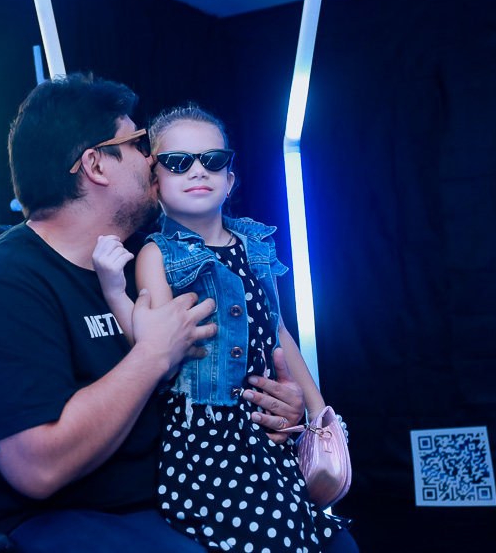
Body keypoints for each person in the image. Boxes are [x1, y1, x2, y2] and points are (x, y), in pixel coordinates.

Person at [0, 74, 310, 553]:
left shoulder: (153, 259)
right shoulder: (3, 283)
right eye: (136, 144)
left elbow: (218, 370)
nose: (153, 159)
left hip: (166, 501)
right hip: (38, 524)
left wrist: (283, 409)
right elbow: (38, 468)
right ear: (95, 164)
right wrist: (152, 354)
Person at [92, 105, 356, 552]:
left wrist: (321, 416)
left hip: (266, 438)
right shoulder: (157, 254)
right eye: (179, 162)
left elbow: (279, 331)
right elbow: (153, 351)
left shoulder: (255, 247)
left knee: (320, 539)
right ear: (155, 183)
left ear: (230, 179)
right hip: (205, 441)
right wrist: (115, 292)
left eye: (213, 160)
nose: (198, 170)